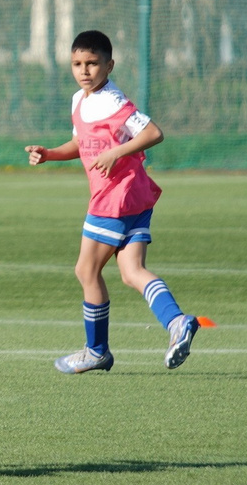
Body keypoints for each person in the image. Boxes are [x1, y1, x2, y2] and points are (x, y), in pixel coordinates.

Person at [25, 30, 204, 373]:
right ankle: (177, 322)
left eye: (92, 63)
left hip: (115, 196)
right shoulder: (80, 100)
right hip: (134, 196)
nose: (85, 70)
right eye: (77, 64)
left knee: (86, 269)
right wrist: (49, 154)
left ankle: (97, 351)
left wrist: (117, 151)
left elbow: (153, 133)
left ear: (109, 65)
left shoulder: (112, 100)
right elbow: (79, 143)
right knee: (131, 271)